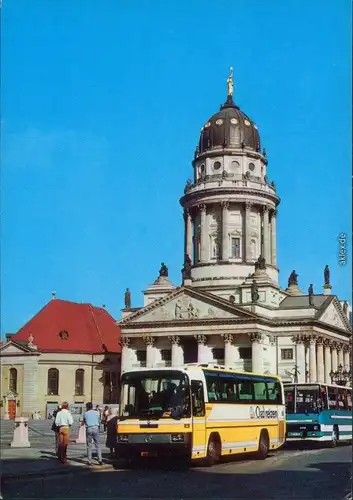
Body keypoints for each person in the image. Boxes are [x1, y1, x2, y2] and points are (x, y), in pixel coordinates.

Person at [84, 402, 103, 466]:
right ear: (92, 406)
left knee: (89, 445)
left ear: (87, 407)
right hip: (96, 428)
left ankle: (89, 461)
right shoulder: (97, 413)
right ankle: (100, 460)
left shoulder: (85, 413)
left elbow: (84, 421)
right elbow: (99, 421)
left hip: (89, 428)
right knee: (97, 444)